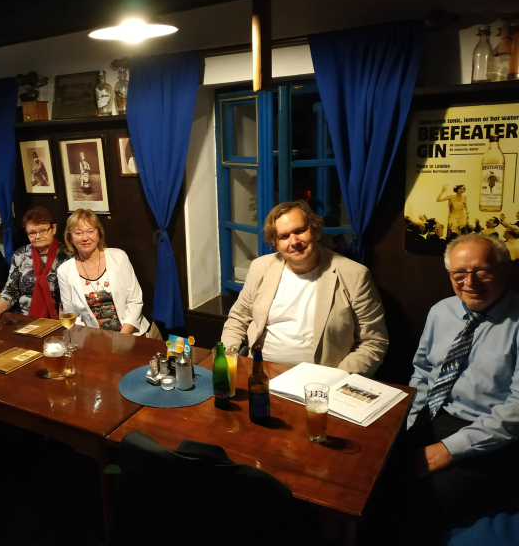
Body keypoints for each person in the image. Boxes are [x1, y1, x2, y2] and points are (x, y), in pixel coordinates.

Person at [401, 234, 519, 538]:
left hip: (493, 436)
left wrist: (449, 449)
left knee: (426, 502)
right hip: (434, 415)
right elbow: (423, 371)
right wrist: (410, 424)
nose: (470, 282)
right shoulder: (441, 311)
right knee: (375, 473)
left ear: (504, 270)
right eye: (459, 273)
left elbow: (516, 411)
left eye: (481, 271)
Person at [220, 200, 388, 376]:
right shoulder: (260, 267)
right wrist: (227, 356)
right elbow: (238, 318)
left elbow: (373, 342)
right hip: (260, 373)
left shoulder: (354, 275)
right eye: (284, 236)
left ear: (315, 231)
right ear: (276, 244)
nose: (294, 241)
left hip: (322, 380)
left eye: (300, 231)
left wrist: (337, 380)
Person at [57, 209, 149, 335]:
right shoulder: (64, 270)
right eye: (78, 233)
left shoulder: (119, 256)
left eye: (90, 231)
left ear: (98, 234)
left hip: (130, 334)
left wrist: (122, 338)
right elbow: (71, 315)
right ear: (70, 238)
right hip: (93, 339)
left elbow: (135, 301)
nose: (85, 238)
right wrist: (93, 341)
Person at [0, 206, 70, 321]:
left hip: (58, 318)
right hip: (23, 317)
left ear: (53, 229)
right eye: (32, 233)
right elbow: (10, 291)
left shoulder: (68, 256)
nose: (38, 237)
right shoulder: (21, 255)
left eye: (43, 230)